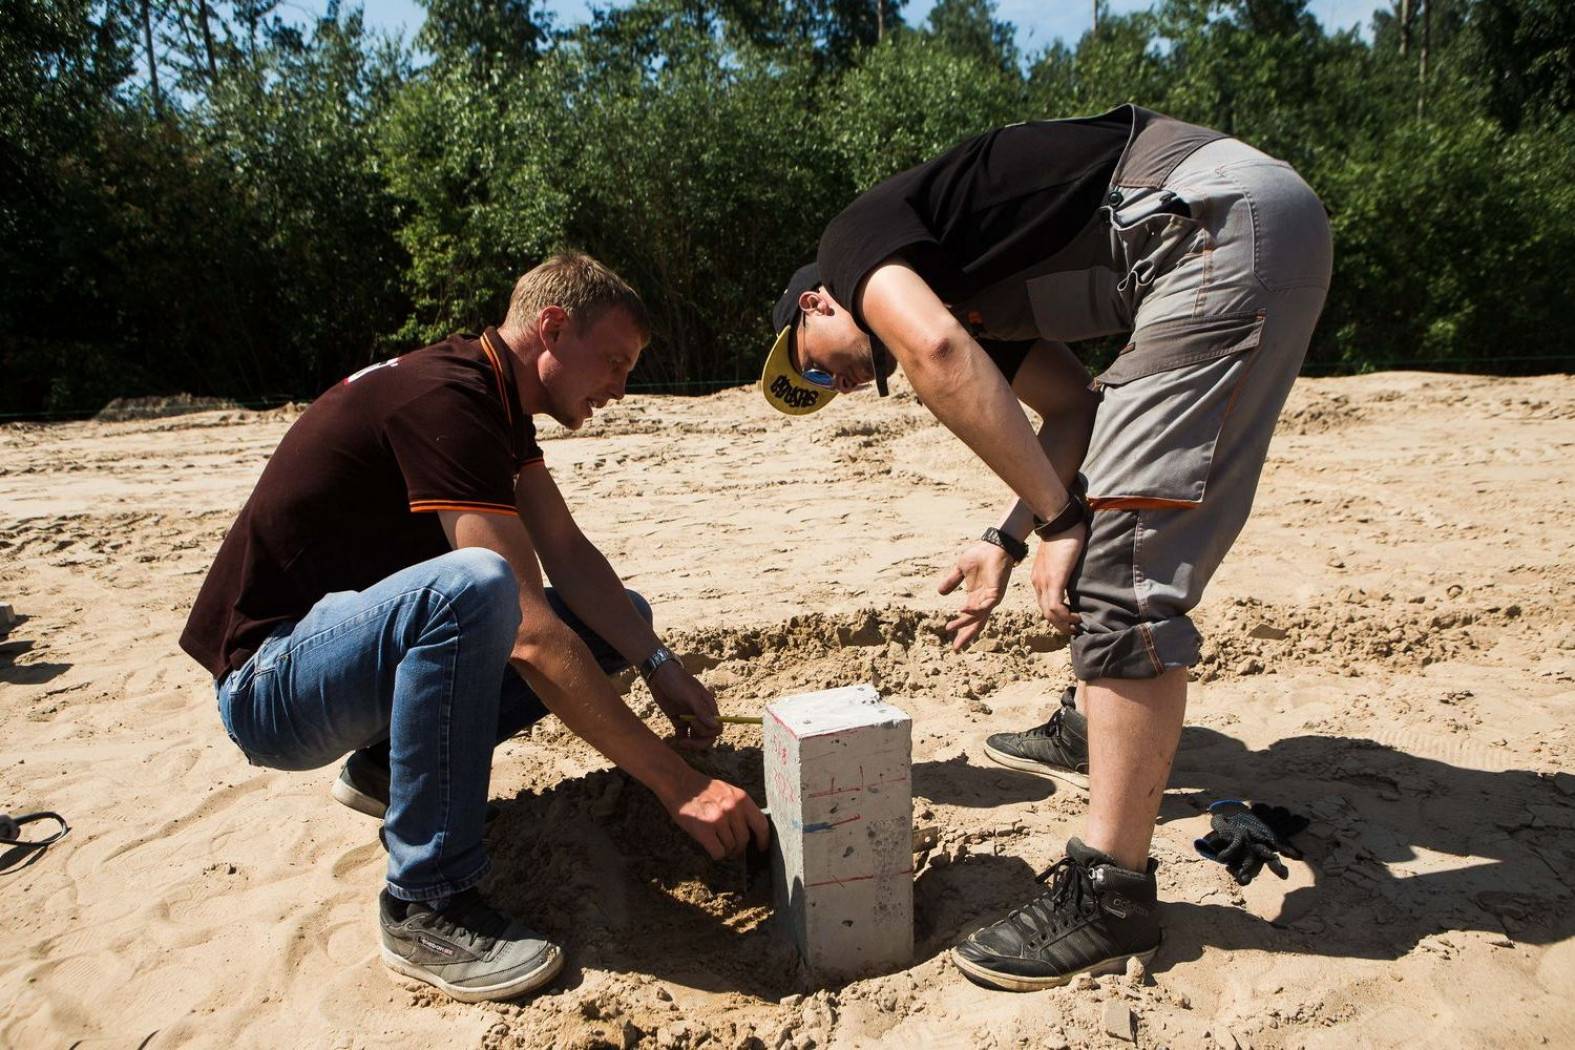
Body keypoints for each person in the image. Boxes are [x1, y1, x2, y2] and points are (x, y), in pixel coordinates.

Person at [758, 104, 1331, 990]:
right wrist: (1010, 538)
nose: (837, 381)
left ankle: (1109, 894)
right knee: (1111, 532)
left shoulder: (851, 247)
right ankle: (1089, 729)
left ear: (816, 301)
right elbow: (1075, 410)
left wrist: (1061, 524)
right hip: (1232, 226)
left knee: (1124, 574)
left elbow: (936, 351)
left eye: (818, 364)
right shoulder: (973, 287)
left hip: (1208, 228)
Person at [182, 252, 768, 1003]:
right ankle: (423, 902)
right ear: (552, 327)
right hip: (270, 688)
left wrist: (658, 663)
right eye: (614, 362)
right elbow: (525, 630)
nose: (621, 389)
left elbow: (570, 554)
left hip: (338, 662)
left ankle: (388, 767)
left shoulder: (492, 399)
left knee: (615, 617)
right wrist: (674, 784)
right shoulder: (445, 397)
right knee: (478, 588)